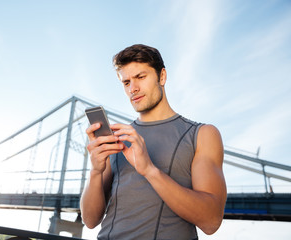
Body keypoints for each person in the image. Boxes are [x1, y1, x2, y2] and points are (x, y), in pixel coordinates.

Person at [80, 44, 227, 240]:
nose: (133, 89)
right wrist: (96, 171)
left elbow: (211, 221)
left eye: (141, 77)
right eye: (126, 82)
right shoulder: (117, 138)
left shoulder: (202, 134)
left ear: (162, 77)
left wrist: (149, 169)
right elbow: (90, 220)